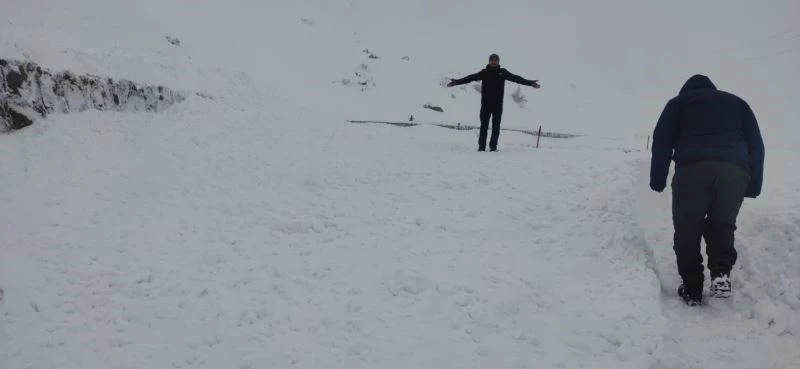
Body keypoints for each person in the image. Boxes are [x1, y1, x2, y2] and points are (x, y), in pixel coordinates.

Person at [650, 74, 765, 306]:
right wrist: (754, 185)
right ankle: (720, 274)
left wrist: (658, 179)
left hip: (692, 171)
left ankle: (692, 287)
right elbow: (756, 145)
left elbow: (661, 140)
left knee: (687, 228)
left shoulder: (678, 104)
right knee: (722, 224)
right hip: (734, 172)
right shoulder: (738, 103)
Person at [446, 53, 540, 151]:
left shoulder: (503, 72)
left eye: (496, 60)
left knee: (496, 127)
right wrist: (456, 82)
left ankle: (493, 147)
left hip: (498, 105)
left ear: (498, 62)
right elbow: (470, 78)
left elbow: (516, 78)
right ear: (489, 61)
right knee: (484, 126)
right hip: (485, 104)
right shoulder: (484, 72)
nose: (494, 62)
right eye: (492, 60)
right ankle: (481, 147)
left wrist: (530, 83)